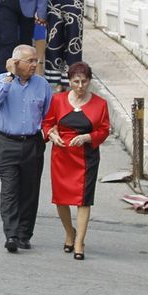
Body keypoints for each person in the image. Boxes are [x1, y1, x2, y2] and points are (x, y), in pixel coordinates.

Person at [42, 62, 111, 259]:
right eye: (76, 82)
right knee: (61, 198)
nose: (80, 86)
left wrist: (88, 137)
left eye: (84, 82)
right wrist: (52, 135)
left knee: (83, 201)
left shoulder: (100, 104)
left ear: (89, 81)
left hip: (86, 157)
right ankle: (69, 232)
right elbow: (47, 123)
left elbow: (104, 130)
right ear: (69, 81)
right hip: (62, 155)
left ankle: (80, 241)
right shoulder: (58, 100)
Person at [0, 45, 50, 253]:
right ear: (16, 63)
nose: (34, 65)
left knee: (30, 191)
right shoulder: (0, 80)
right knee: (10, 189)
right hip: (7, 143)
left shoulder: (42, 84)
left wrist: (49, 134)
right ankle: (11, 234)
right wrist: (9, 76)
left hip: (32, 143)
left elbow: (49, 115)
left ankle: (24, 234)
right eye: (30, 61)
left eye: (36, 61)